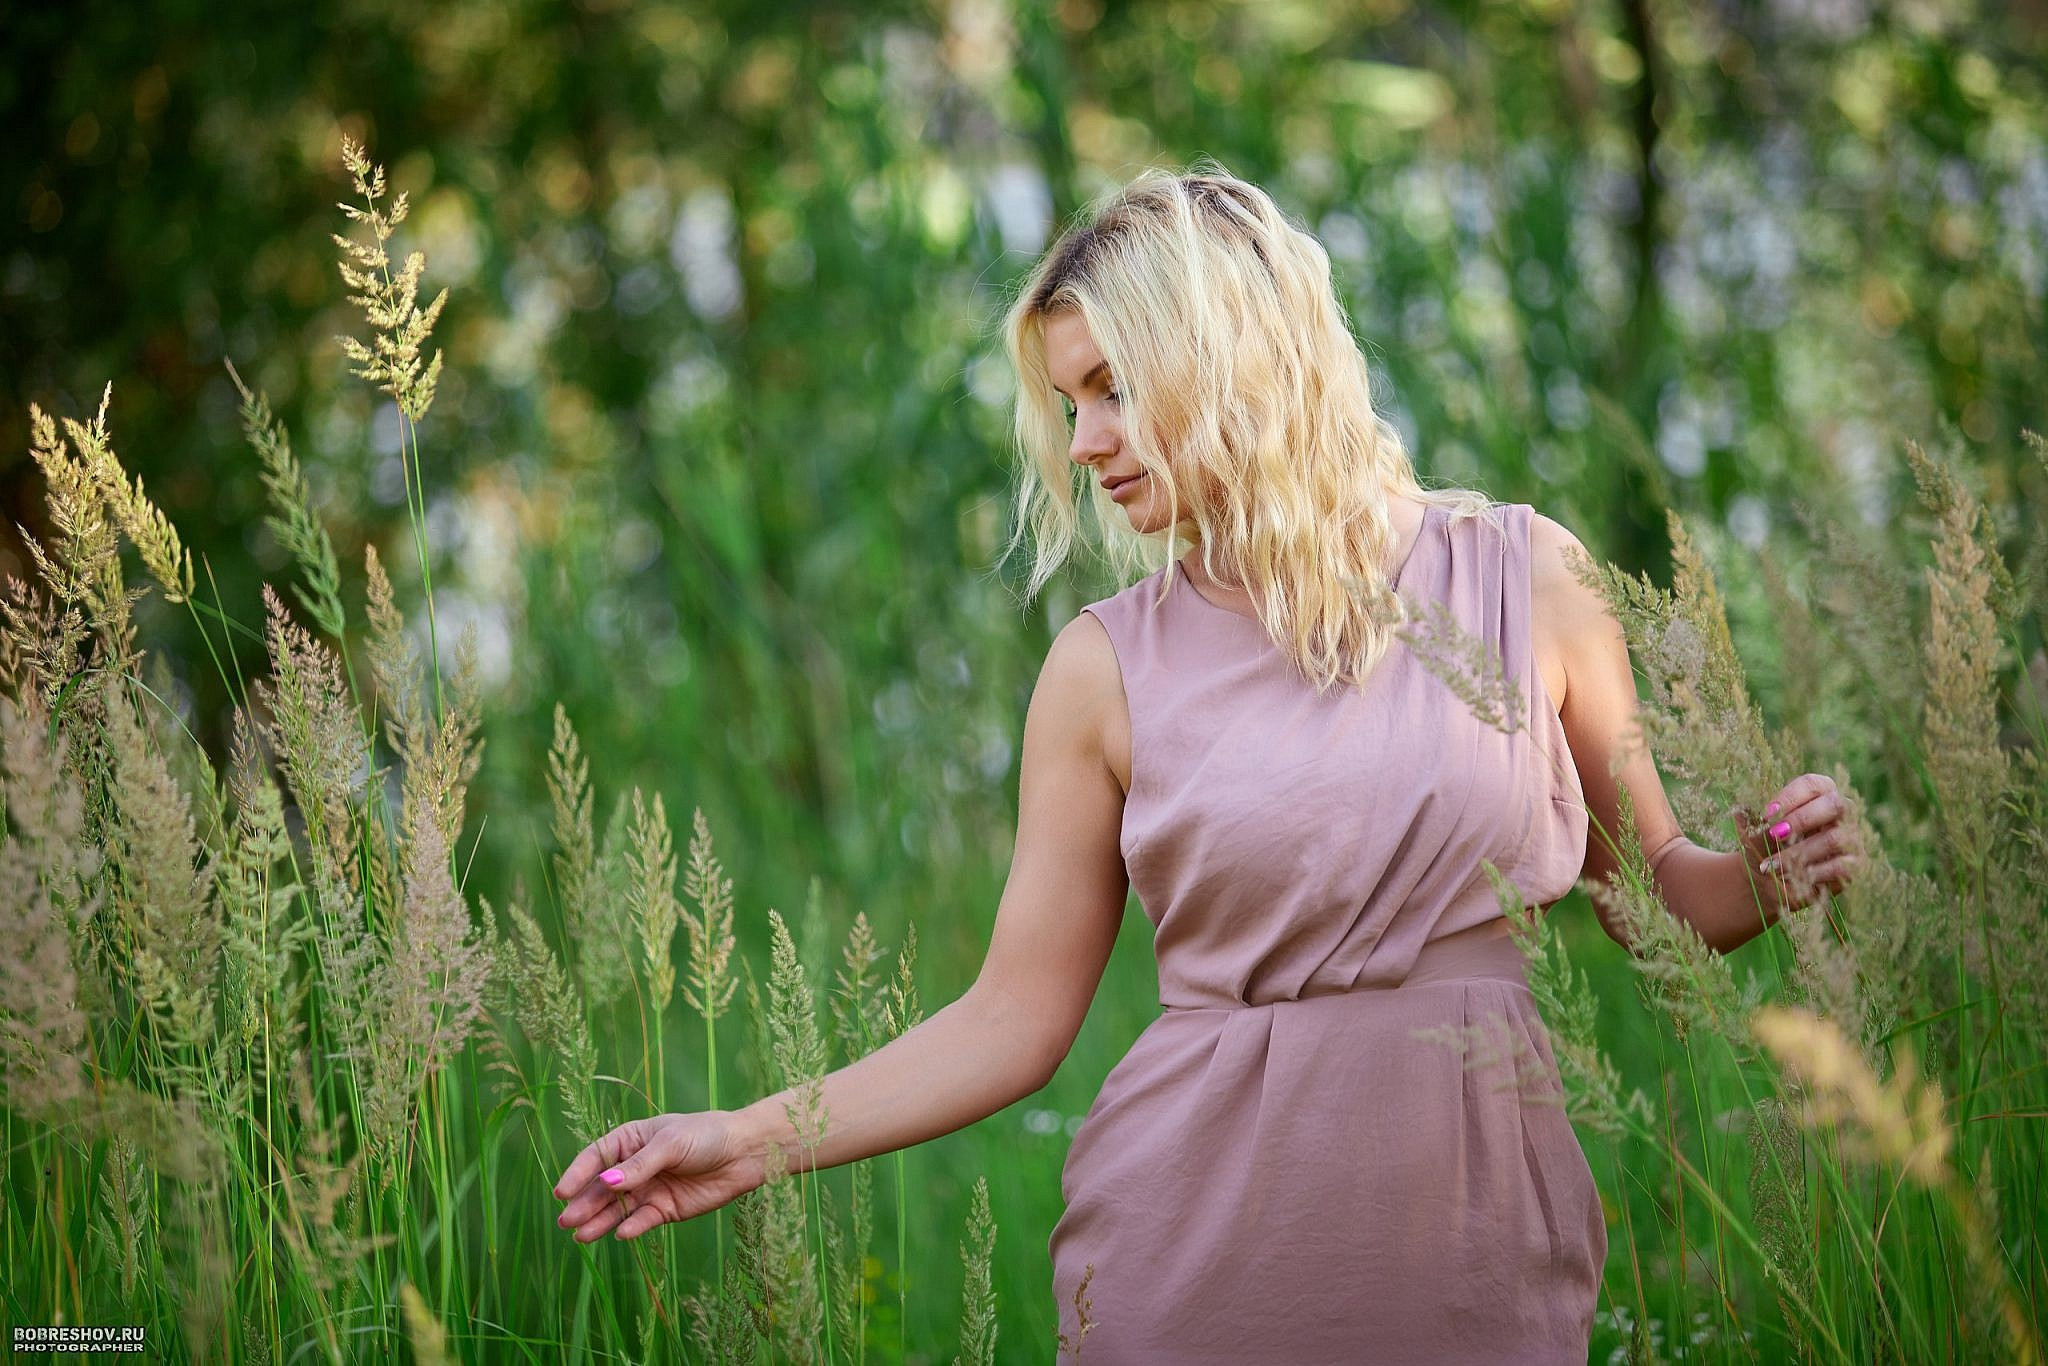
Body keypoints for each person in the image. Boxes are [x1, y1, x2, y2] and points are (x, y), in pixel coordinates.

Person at [552, 164, 1864, 1362]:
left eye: (1114, 388)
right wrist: (746, 1140)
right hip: (1191, 1264)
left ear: (1233, 351)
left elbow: (1657, 898)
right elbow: (1012, 1016)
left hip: (1480, 1257)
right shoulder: (1103, 667)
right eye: (1069, 404)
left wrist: (1766, 866)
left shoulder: (1522, 577)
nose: (1081, 444)